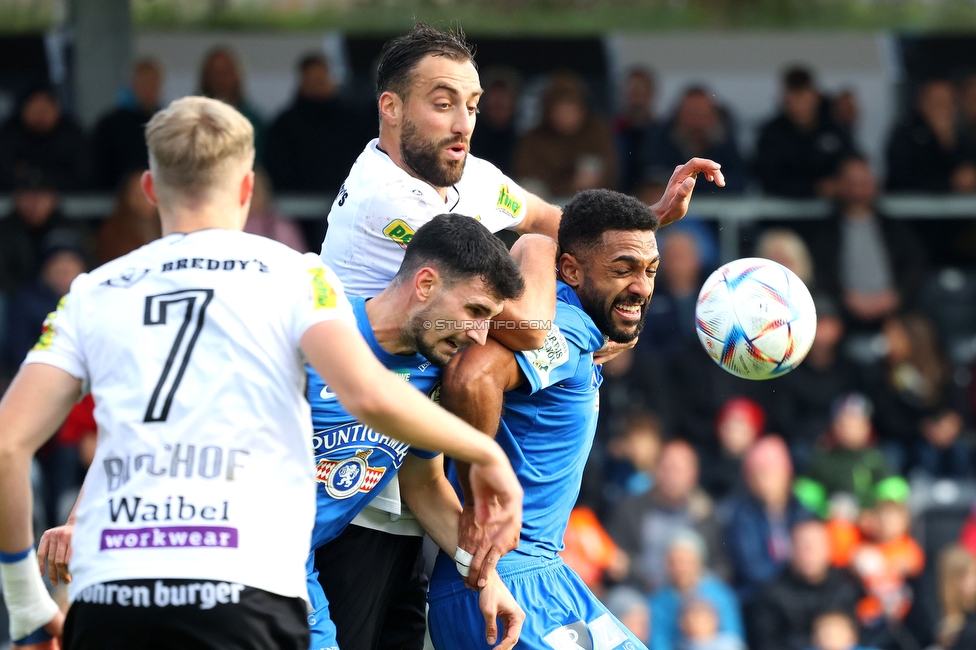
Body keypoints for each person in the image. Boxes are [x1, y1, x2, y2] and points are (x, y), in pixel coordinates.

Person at [0, 96, 523, 649]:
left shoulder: (93, 290)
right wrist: (486, 454)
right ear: (248, 190)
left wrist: (26, 601)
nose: (479, 334)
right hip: (243, 573)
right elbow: (367, 394)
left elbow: (15, 441)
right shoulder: (298, 278)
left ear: (150, 189)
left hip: (116, 585)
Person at [318, 23, 723, 650]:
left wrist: (643, 225)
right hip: (353, 488)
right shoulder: (391, 203)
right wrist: (539, 257)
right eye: (444, 101)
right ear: (391, 109)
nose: (463, 123)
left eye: (473, 106)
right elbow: (527, 324)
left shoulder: (467, 177)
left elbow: (559, 222)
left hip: (412, 478)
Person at [426, 189, 696, 649]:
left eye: (650, 270)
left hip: (535, 577)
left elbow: (538, 243)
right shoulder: (567, 330)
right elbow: (471, 379)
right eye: (623, 269)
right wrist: (480, 496)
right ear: (571, 270)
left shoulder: (572, 325)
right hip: (511, 581)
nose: (643, 287)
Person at [303, 214, 529, 650]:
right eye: (476, 311)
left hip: (295, 566)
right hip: (230, 550)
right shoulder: (315, 329)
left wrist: (485, 579)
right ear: (425, 284)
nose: (480, 337)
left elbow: (424, 487)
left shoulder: (432, 372)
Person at [608, 439, 731, 592]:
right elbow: (617, 558)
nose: (671, 477)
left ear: (693, 475)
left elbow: (721, 566)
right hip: (639, 590)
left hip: (692, 593)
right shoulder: (630, 508)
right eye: (666, 468)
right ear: (655, 470)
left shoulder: (705, 514)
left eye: (678, 470)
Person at [264, 53, 373, 195]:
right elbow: (278, 170)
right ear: (303, 81)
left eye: (322, 78)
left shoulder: (354, 121)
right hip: (298, 207)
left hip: (348, 201)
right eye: (314, 79)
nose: (319, 84)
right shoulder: (285, 126)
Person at [725, 436, 813, 604]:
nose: (763, 483)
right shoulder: (742, 516)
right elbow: (753, 567)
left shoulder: (803, 512)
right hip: (758, 596)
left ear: (786, 474)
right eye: (755, 476)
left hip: (800, 591)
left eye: (769, 473)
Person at [749, 521, 863, 650]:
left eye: (815, 545)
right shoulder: (771, 594)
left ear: (829, 548)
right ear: (791, 550)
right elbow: (767, 643)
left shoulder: (848, 586)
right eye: (802, 546)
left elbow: (862, 635)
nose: (809, 553)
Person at [513, 71, 619, 199]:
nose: (565, 116)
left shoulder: (596, 131)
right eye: (560, 110)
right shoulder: (534, 137)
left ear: (582, 110)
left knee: (591, 166)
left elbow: (609, 169)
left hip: (587, 201)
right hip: (546, 203)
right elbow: (525, 176)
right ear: (549, 112)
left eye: (570, 109)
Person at [752, 66, 853, 198]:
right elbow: (768, 178)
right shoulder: (771, 135)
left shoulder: (835, 130)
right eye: (795, 95)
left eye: (804, 95)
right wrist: (814, 188)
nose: (800, 103)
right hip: (783, 212)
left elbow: (851, 163)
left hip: (831, 212)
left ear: (816, 96)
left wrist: (839, 185)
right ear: (785, 99)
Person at [650, 531, 744, 650]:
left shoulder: (720, 595)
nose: (679, 568)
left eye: (685, 562)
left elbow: (732, 635)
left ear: (698, 563)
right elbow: (658, 641)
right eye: (673, 562)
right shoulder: (659, 602)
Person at [644, 86, 747, 195]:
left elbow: (740, 180)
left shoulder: (725, 142)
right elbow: (655, 179)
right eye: (691, 115)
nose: (697, 123)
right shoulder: (661, 141)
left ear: (713, 117)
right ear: (680, 116)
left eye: (702, 116)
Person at [885, 79, 976, 194]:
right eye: (936, 102)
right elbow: (904, 175)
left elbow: (967, 167)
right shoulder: (905, 133)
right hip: (912, 203)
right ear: (921, 103)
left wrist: (947, 140)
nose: (942, 109)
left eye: (947, 103)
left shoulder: (963, 135)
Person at [90, 59, 164, 190]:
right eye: (144, 84)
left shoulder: (166, 124)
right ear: (133, 86)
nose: (149, 91)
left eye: (153, 85)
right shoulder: (110, 125)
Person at [0, 84, 88, 191]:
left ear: (57, 108)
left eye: (45, 108)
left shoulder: (71, 133)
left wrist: (45, 180)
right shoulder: (10, 132)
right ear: (23, 109)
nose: (40, 115)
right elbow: (5, 173)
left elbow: (84, 175)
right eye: (35, 108)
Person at [198, 47, 266, 162]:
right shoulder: (191, 122)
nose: (220, 80)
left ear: (237, 76)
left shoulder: (254, 121)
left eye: (225, 72)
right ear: (205, 78)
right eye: (214, 73)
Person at [95, 169, 162, 265]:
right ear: (126, 196)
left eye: (146, 194)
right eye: (136, 194)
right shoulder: (113, 230)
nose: (142, 200)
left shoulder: (174, 225)